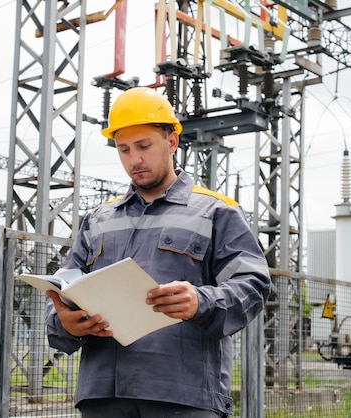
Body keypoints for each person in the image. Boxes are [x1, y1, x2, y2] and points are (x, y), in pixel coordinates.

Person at [45, 86, 271, 417]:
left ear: (171, 141)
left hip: (183, 396)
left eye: (144, 146)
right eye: (123, 150)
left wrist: (200, 302)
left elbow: (254, 284)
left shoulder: (215, 211)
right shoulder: (97, 220)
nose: (134, 159)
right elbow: (63, 291)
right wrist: (66, 323)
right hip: (103, 396)